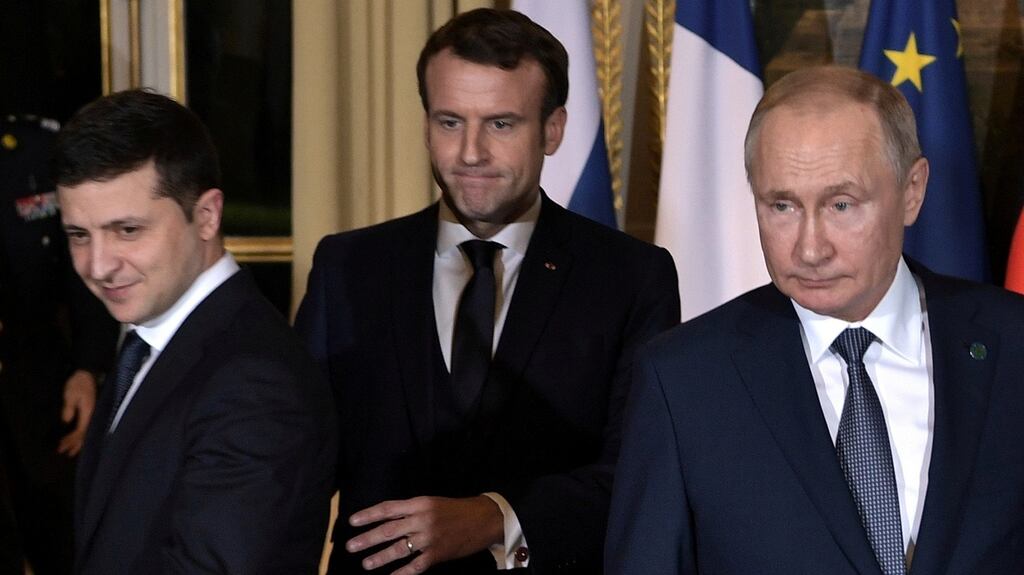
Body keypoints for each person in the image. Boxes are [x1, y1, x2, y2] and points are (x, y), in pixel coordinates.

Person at [295, 8, 679, 574]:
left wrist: (496, 517)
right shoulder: (348, 267)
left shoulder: (631, 277)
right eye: (450, 122)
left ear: (553, 130)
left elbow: (640, 472)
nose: (470, 152)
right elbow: (295, 465)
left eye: (501, 124)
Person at [605, 65, 1024, 574]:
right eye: (782, 206)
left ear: (912, 191)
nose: (809, 248)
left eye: (841, 205)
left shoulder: (1013, 344)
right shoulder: (684, 380)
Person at [52, 89, 337, 574]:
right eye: (79, 235)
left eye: (127, 231)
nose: (98, 266)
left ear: (206, 216)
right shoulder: (148, 342)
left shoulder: (256, 383)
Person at [0, 115, 118, 574]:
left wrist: (89, 368)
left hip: (38, 387)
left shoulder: (33, 152)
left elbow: (80, 272)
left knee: (60, 537)